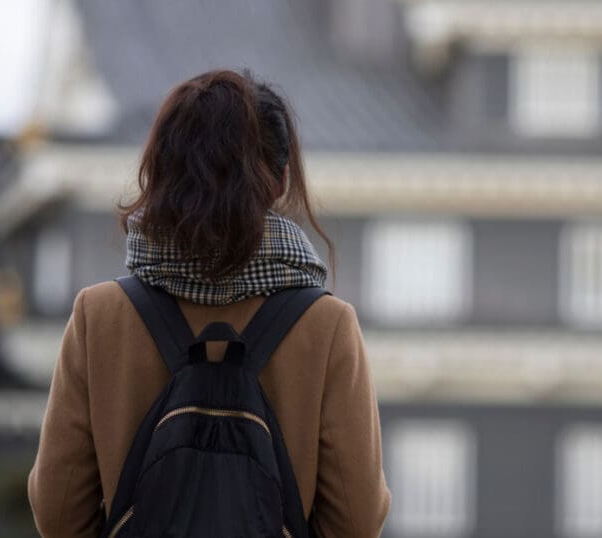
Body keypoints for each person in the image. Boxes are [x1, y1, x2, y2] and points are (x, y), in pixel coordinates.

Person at [28, 69, 391, 537]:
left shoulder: (98, 316)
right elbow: (356, 520)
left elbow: (58, 512)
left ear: (160, 172)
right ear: (281, 181)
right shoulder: (326, 326)